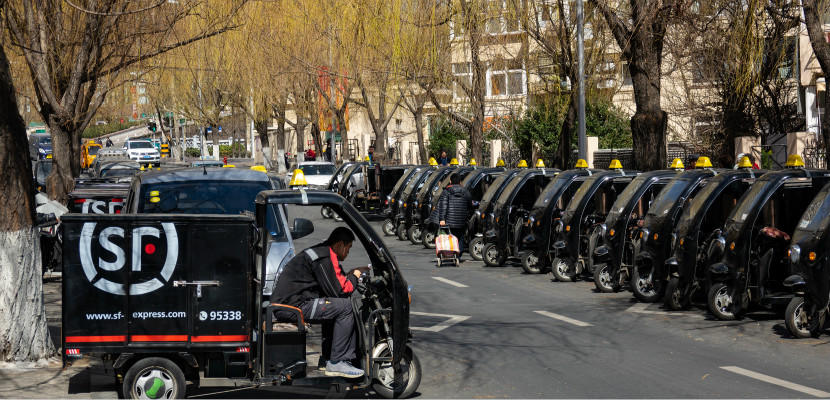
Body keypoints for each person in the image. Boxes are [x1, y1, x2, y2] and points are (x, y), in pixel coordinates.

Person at [270, 227, 368, 378]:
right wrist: (355, 276)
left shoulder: (324, 254)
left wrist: (351, 274)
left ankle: (327, 358)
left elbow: (335, 282)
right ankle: (337, 362)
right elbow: (340, 291)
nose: (348, 253)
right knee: (346, 307)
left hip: (294, 303)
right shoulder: (323, 258)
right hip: (292, 306)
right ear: (340, 244)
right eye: (348, 248)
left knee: (334, 306)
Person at [435, 173, 474, 255]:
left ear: (450, 181)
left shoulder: (446, 192)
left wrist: (442, 219)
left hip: (450, 220)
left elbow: (443, 206)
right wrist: (466, 214)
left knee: (451, 238)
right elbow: (470, 205)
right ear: (460, 182)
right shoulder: (466, 191)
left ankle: (451, 254)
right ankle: (459, 254)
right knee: (460, 237)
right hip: (462, 220)